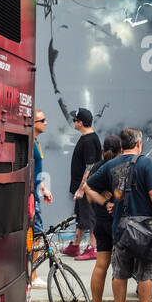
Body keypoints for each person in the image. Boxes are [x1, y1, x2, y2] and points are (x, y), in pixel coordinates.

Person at [85, 127, 152, 302]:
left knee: (120, 273)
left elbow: (87, 186)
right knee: (146, 273)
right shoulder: (145, 163)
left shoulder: (111, 165)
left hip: (120, 227)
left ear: (122, 146)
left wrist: (105, 202)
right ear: (139, 144)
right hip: (145, 227)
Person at [88, 133, 136, 302]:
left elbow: (88, 194)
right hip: (117, 223)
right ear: (121, 150)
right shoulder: (120, 167)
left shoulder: (97, 168)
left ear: (103, 150)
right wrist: (110, 202)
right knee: (120, 267)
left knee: (101, 264)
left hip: (100, 223)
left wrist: (102, 201)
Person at [65, 107, 101, 260]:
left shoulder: (89, 140)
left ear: (80, 123)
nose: (73, 122)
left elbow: (90, 165)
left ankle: (93, 248)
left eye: (75, 120)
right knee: (81, 216)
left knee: (89, 216)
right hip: (82, 186)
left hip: (86, 188)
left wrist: (82, 188)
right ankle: (75, 246)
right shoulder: (87, 137)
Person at [30, 109, 52, 289]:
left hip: (35, 193)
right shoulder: (30, 142)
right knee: (36, 233)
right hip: (30, 196)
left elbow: (36, 170)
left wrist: (43, 188)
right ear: (34, 123)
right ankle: (32, 274)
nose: (46, 123)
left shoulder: (35, 141)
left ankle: (31, 272)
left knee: (35, 234)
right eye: (42, 120)